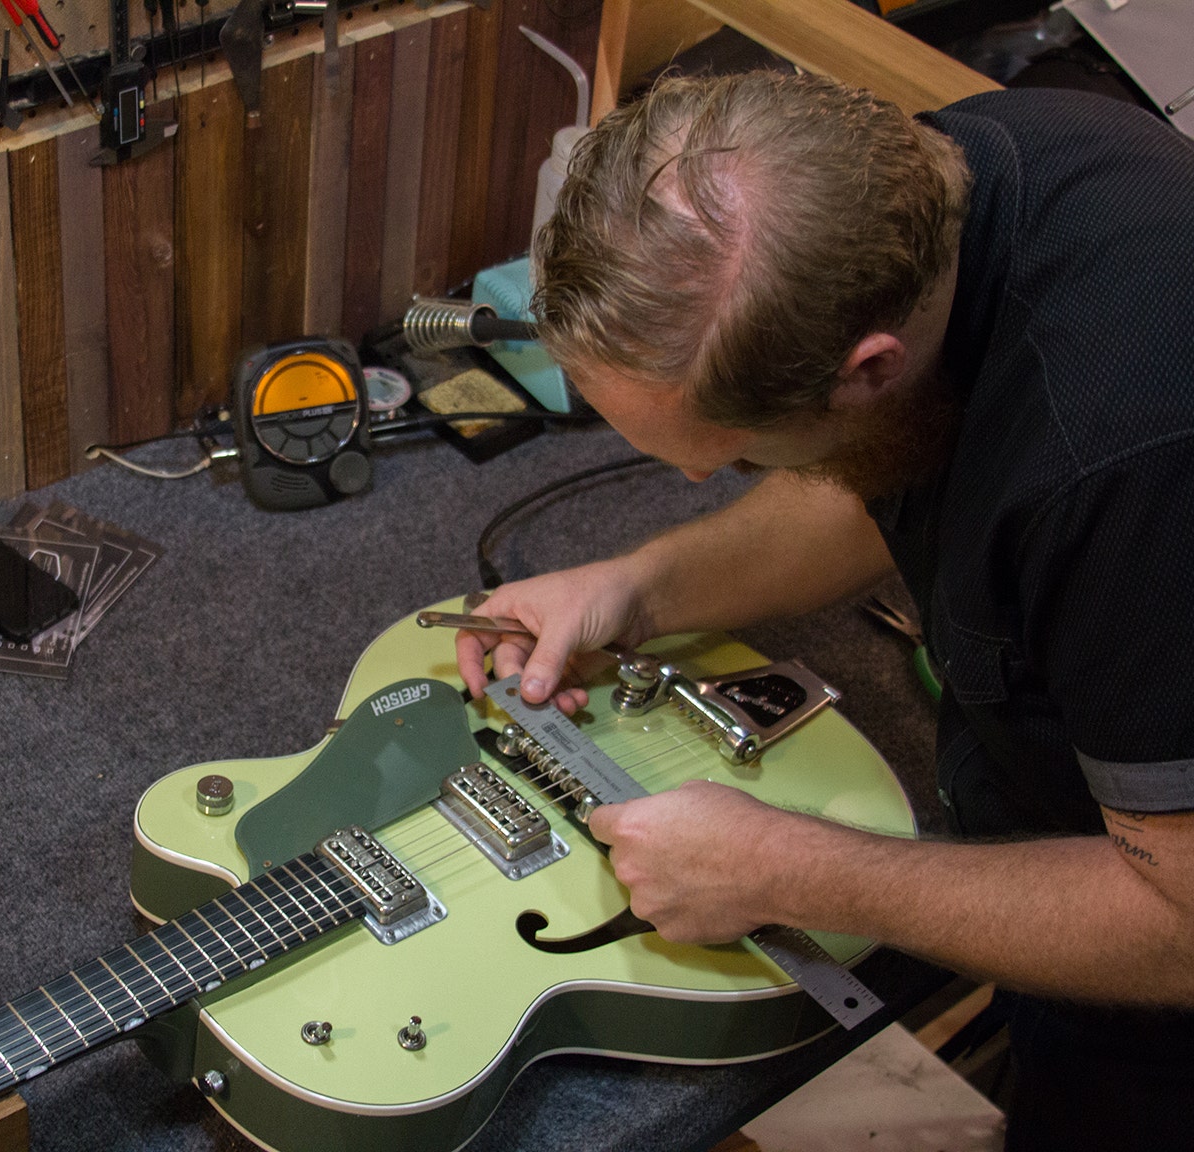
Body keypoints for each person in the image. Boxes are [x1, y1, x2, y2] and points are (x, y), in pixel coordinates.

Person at [455, 71, 1194, 1150]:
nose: (715, 481)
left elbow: (1178, 928)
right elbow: (886, 457)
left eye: (741, 456)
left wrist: (790, 869)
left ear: (867, 367)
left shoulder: (1128, 470)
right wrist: (637, 588)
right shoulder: (941, 177)